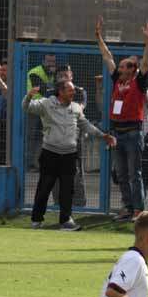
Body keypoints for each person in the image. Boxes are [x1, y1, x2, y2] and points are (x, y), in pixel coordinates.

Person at [23, 80, 116, 230]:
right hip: (50, 154)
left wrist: (102, 135)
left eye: (73, 90)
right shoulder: (46, 104)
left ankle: (66, 221)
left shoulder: (76, 107)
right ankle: (36, 219)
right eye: (70, 90)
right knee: (44, 187)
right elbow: (26, 107)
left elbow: (85, 124)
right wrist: (29, 96)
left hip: (70, 155)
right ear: (60, 91)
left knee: (68, 189)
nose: (73, 93)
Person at [97, 16, 148, 220]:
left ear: (133, 70)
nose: (120, 69)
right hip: (117, 133)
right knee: (121, 174)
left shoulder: (138, 83)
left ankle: (138, 210)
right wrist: (98, 37)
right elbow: (107, 57)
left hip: (133, 133)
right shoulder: (117, 81)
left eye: (125, 67)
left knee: (134, 173)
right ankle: (127, 207)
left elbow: (146, 62)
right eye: (120, 67)